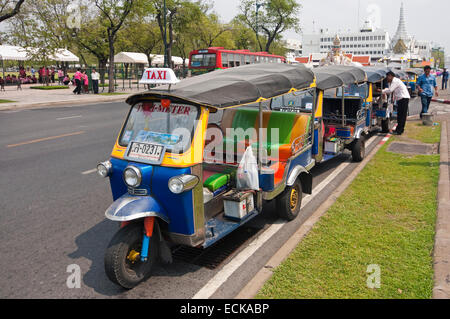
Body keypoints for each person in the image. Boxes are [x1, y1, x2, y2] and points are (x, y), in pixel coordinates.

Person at [382, 71, 411, 135]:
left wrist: (381, 91)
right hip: (401, 99)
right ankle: (399, 129)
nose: (387, 79)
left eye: (387, 77)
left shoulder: (395, 81)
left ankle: (399, 130)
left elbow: (390, 90)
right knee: (400, 115)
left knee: (401, 116)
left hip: (403, 99)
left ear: (390, 76)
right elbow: (390, 89)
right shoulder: (393, 81)